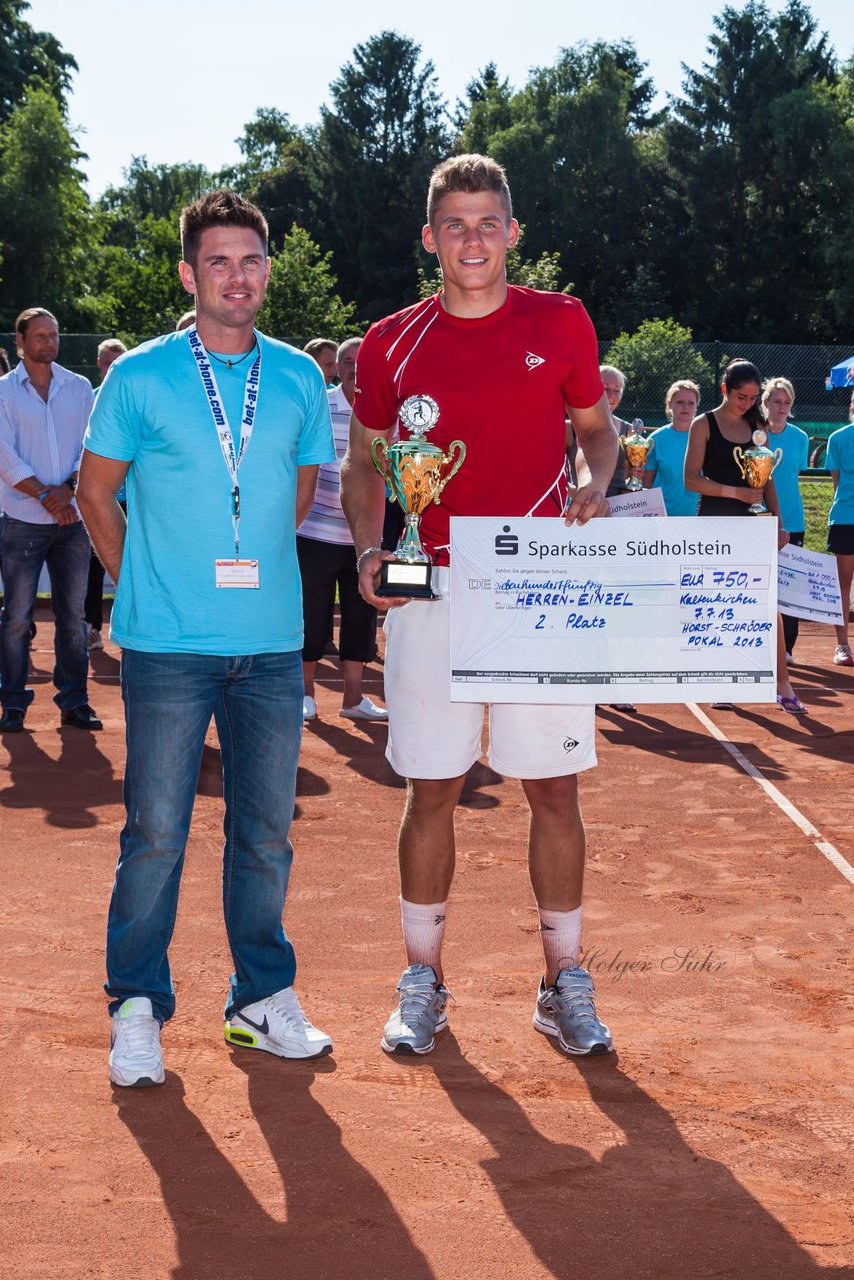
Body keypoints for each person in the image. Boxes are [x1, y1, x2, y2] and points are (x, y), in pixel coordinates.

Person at [340, 154, 618, 1059]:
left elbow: (594, 431)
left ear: (512, 230)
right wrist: (372, 542)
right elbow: (365, 462)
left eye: (487, 221)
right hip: (434, 587)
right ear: (430, 237)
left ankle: (561, 984)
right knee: (432, 788)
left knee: (553, 789)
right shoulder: (389, 342)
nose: (471, 238)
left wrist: (592, 481)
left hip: (536, 583)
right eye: (454, 224)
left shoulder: (562, 319)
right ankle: (423, 979)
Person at [77, 189, 336, 1088]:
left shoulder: (300, 377)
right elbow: (93, 493)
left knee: (265, 833)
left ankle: (260, 999)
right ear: (190, 274)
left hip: (270, 645)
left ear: (268, 271)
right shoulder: (139, 376)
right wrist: (139, 581)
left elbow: (297, 501)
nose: (237, 276)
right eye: (218, 261)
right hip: (167, 646)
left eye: (251, 260)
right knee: (155, 831)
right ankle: (137, 1006)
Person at [0, 308, 101, 733]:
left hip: (73, 521)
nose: (49, 342)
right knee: (18, 616)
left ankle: (75, 700)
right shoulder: (3, 392)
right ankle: (13, 702)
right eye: (39, 336)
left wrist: (70, 488)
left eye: (54, 335)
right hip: (22, 519)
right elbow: (4, 454)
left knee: (74, 617)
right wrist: (46, 494)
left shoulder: (79, 388)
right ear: (20, 342)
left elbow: (95, 443)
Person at [684, 358, 804, 714]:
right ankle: (723, 681)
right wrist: (734, 493)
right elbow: (691, 479)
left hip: (754, 524)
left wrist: (777, 523)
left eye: (753, 398)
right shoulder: (702, 424)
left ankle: (783, 685)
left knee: (767, 603)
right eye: (741, 396)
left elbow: (765, 480)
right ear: (724, 389)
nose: (747, 403)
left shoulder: (758, 425)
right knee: (723, 603)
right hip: (716, 522)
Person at [298, 337, 386, 722]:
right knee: (309, 615)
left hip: (364, 540)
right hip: (315, 532)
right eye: (345, 361)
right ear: (336, 367)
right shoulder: (320, 404)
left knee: (361, 616)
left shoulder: (387, 412)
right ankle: (306, 696)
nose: (352, 367)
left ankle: (353, 700)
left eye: (359, 361)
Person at [84, 339, 128, 651]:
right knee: (95, 568)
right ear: (99, 365)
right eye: (107, 362)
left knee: (134, 564)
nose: (112, 367)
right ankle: (92, 627)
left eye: (118, 361)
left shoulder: (135, 396)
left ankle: (131, 621)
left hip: (135, 500)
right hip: (102, 495)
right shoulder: (89, 400)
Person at [761, 378, 809, 662]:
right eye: (776, 401)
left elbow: (794, 475)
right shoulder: (753, 433)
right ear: (765, 402)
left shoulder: (800, 437)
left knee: (789, 587)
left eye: (787, 402)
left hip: (792, 520)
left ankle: (787, 648)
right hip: (756, 517)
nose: (781, 407)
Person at [642, 380, 700, 516]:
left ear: (696, 407)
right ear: (669, 404)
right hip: (664, 515)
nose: (685, 406)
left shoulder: (706, 436)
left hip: (699, 516)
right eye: (680, 402)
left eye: (691, 403)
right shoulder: (655, 439)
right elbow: (647, 482)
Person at [826, 391, 854, 666]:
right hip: (845, 519)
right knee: (842, 585)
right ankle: (842, 645)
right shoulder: (839, 438)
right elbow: (837, 485)